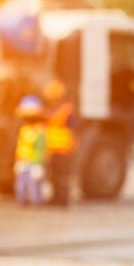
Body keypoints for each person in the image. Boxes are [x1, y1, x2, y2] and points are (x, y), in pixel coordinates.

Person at [42, 79, 77, 207]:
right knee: (55, 175)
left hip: (63, 149)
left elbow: (73, 128)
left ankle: (63, 200)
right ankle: (56, 198)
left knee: (62, 176)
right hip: (53, 148)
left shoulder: (66, 110)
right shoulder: (53, 111)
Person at [14, 95, 47, 206]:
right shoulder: (25, 129)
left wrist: (38, 163)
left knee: (34, 184)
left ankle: (36, 202)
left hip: (33, 161)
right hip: (23, 160)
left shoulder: (39, 131)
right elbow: (20, 146)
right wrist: (18, 160)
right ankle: (23, 201)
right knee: (22, 183)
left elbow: (40, 148)